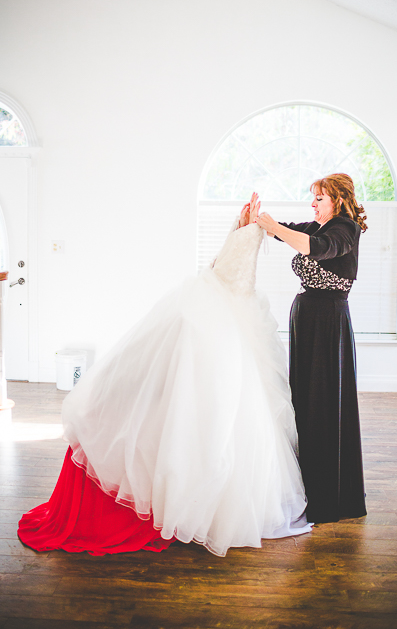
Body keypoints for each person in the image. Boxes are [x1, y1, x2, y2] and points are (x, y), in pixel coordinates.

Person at [18, 194, 311, 557]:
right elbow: (224, 269)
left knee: (223, 407)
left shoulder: (251, 238)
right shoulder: (237, 241)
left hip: (227, 309)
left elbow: (231, 272)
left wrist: (259, 225)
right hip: (223, 307)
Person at [255, 173, 367, 523]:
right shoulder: (318, 226)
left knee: (324, 399)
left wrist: (273, 226)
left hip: (327, 320)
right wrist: (259, 221)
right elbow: (285, 229)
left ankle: (327, 491)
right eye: (313, 198)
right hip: (306, 316)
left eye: (319, 197)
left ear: (338, 198)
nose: (313, 204)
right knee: (304, 397)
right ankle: (305, 481)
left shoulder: (345, 229)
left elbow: (315, 249)